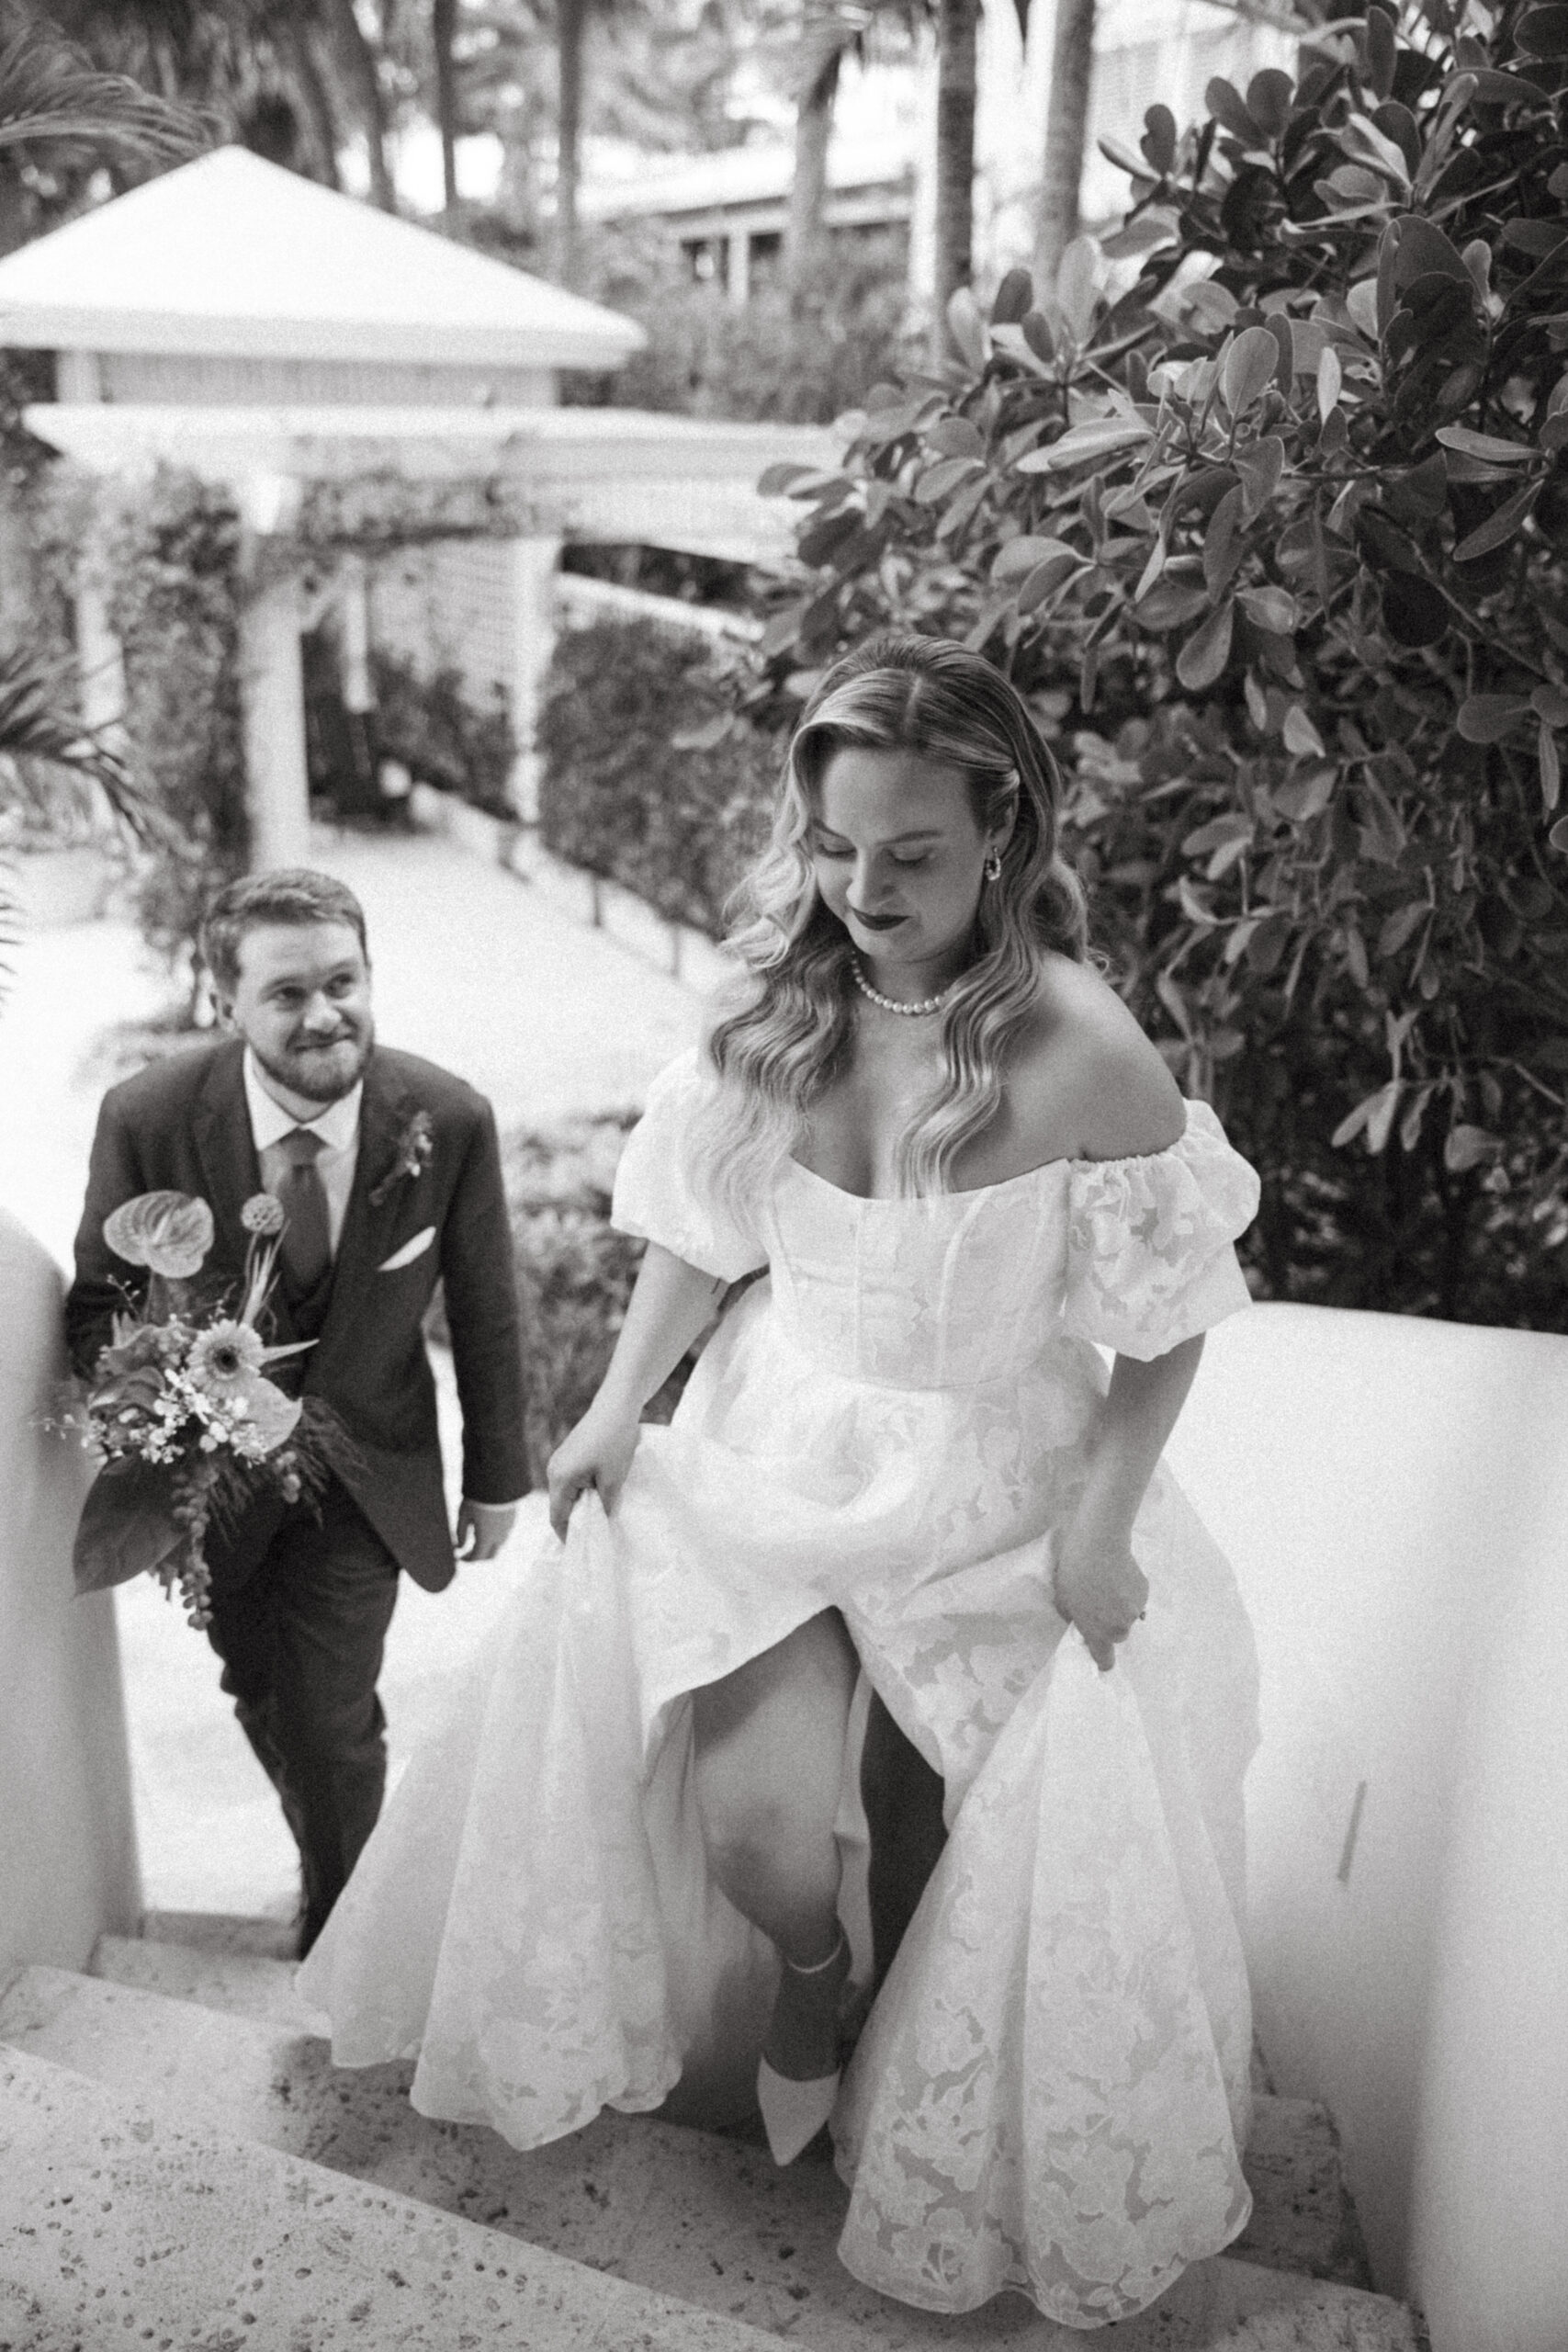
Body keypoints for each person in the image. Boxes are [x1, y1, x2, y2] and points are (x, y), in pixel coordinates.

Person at [299, 638, 1263, 2327]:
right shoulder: (775, 1009)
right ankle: (812, 1978)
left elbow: (1169, 1316)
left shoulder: (1088, 1048)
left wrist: (1101, 1524)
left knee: (950, 1824)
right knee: (765, 1826)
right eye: (833, 846)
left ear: (1005, 832)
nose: (863, 891)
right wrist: (611, 1409)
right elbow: (701, 1227)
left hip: (997, 1474)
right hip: (780, 1441)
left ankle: (915, 2077)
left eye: (911, 855)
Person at [66, 869, 529, 1954]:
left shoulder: (447, 1118)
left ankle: (349, 1931)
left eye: (343, 981)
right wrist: (167, 1389)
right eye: (287, 993)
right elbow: (96, 1304)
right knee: (257, 1684)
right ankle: (340, 1865)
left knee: (328, 1710)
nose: (324, 1013)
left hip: (368, 1465)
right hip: (212, 1480)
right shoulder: (149, 1118)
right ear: (226, 1000)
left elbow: (487, 1304)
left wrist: (499, 1475)